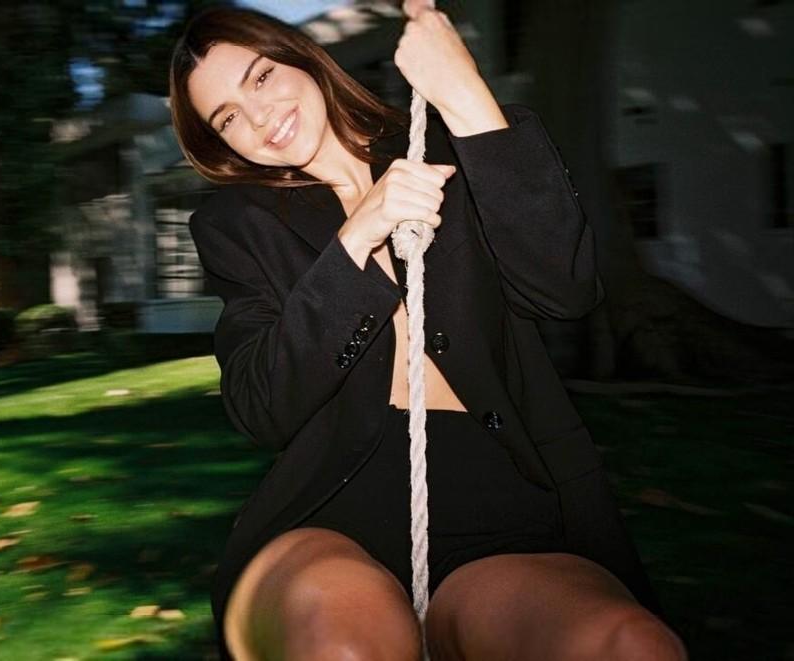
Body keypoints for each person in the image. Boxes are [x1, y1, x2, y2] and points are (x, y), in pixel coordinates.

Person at [169, 3, 689, 660]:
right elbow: (259, 405)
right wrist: (356, 241)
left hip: (500, 496)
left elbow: (565, 289)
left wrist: (465, 95)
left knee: (630, 646)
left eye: (262, 77)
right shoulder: (238, 225)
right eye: (227, 118)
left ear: (303, 58)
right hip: (335, 511)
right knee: (345, 648)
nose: (258, 117)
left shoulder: (451, 148)